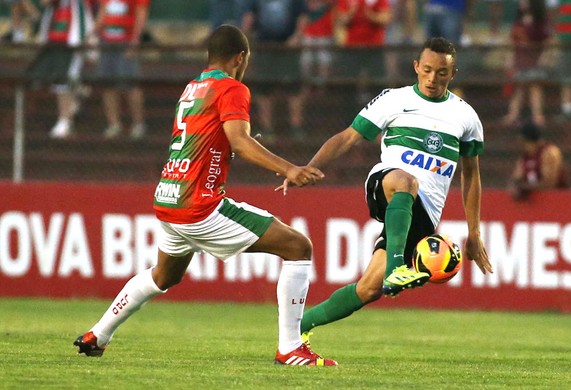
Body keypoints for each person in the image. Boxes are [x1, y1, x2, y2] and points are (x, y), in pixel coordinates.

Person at [73, 25, 337, 366]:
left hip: (169, 197)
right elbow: (240, 142)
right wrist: (289, 169)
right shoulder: (232, 88)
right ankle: (290, 347)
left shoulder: (194, 88)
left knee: (163, 276)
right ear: (240, 58)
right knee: (298, 247)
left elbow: (216, 138)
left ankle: (98, 334)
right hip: (200, 205)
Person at [277, 37, 493, 342]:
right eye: (427, 70)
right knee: (406, 181)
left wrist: (474, 233)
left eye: (441, 73)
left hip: (422, 215)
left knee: (368, 288)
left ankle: (295, 331)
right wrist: (308, 166)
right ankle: (396, 269)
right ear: (416, 67)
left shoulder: (466, 117)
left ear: (453, 73)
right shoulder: (394, 99)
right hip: (387, 184)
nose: (433, 79)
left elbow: (471, 176)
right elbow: (349, 137)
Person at [25, 0, 95, 139]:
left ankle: (65, 120)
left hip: (71, 42)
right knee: (38, 76)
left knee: (63, 80)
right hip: (53, 41)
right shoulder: (53, 9)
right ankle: (77, 91)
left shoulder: (77, 7)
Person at [241, 0, 307, 140]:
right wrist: (244, 38)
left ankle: (296, 127)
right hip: (265, 47)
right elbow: (249, 16)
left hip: (289, 48)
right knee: (264, 88)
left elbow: (303, 16)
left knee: (294, 87)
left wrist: (297, 36)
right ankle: (267, 128)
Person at [93, 0, 150, 139]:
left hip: (126, 41)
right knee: (108, 84)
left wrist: (135, 40)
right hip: (106, 41)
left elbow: (141, 13)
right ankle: (113, 123)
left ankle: (138, 123)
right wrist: (94, 33)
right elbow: (103, 11)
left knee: (130, 83)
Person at [288, 0, 335, 139]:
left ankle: (321, 89)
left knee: (324, 62)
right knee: (306, 63)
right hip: (308, 33)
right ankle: (307, 86)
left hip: (326, 33)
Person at [502, 0, 551, 127]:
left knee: (535, 87)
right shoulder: (518, 22)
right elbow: (512, 42)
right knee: (518, 88)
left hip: (534, 59)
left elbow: (547, 41)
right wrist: (509, 59)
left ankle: (537, 116)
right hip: (520, 59)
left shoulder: (540, 22)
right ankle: (513, 114)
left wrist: (544, 57)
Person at [509, 121, 568, 200]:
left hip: (556, 200)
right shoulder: (524, 157)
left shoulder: (549, 152)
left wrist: (524, 187)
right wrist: (515, 186)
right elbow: (516, 177)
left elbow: (549, 183)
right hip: (534, 203)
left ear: (522, 139)